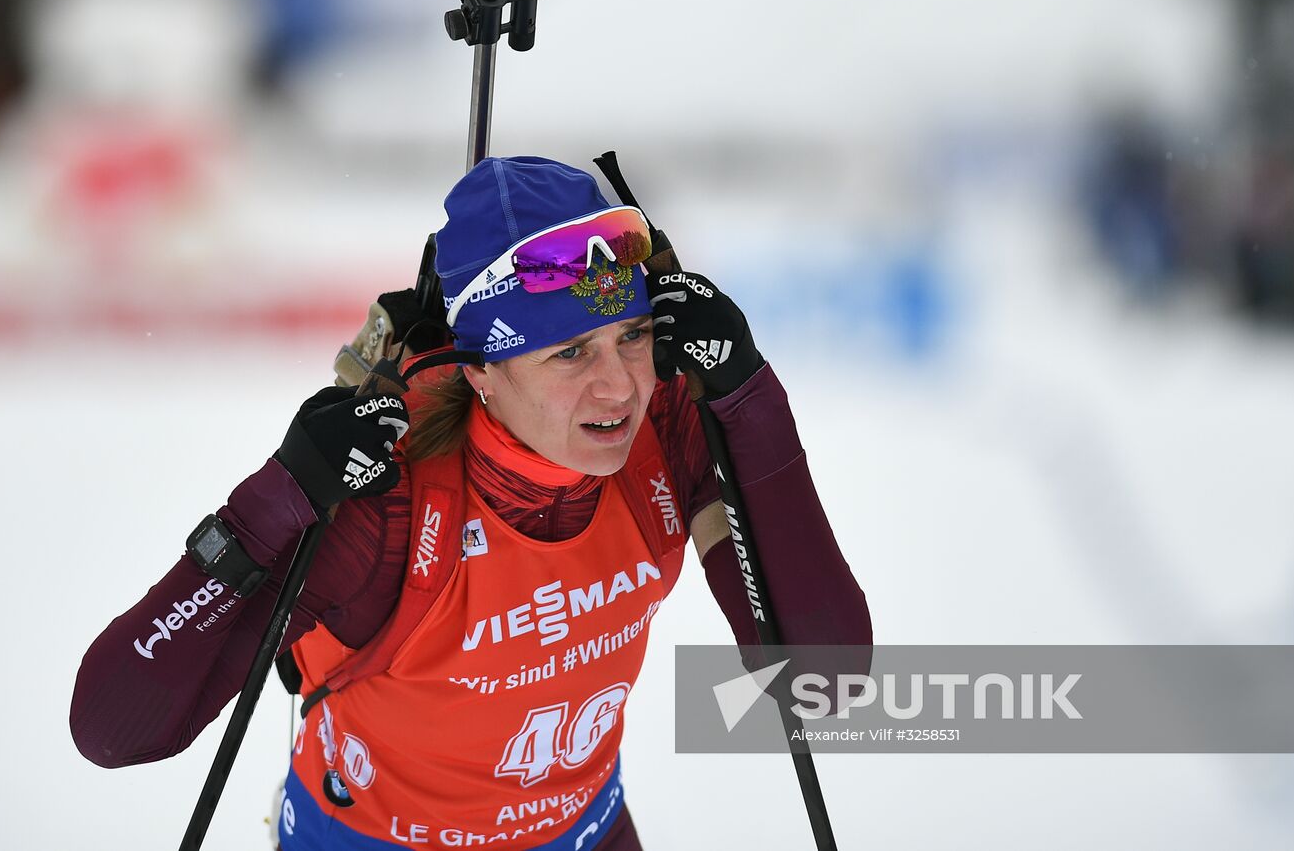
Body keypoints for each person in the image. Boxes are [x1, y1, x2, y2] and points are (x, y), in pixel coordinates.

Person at [71, 155, 871, 850]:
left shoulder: (663, 428)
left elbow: (821, 684)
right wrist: (281, 495)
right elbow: (113, 727)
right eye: (571, 352)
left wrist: (747, 398)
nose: (620, 384)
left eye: (632, 335)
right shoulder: (393, 507)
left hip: (584, 836)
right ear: (481, 372)